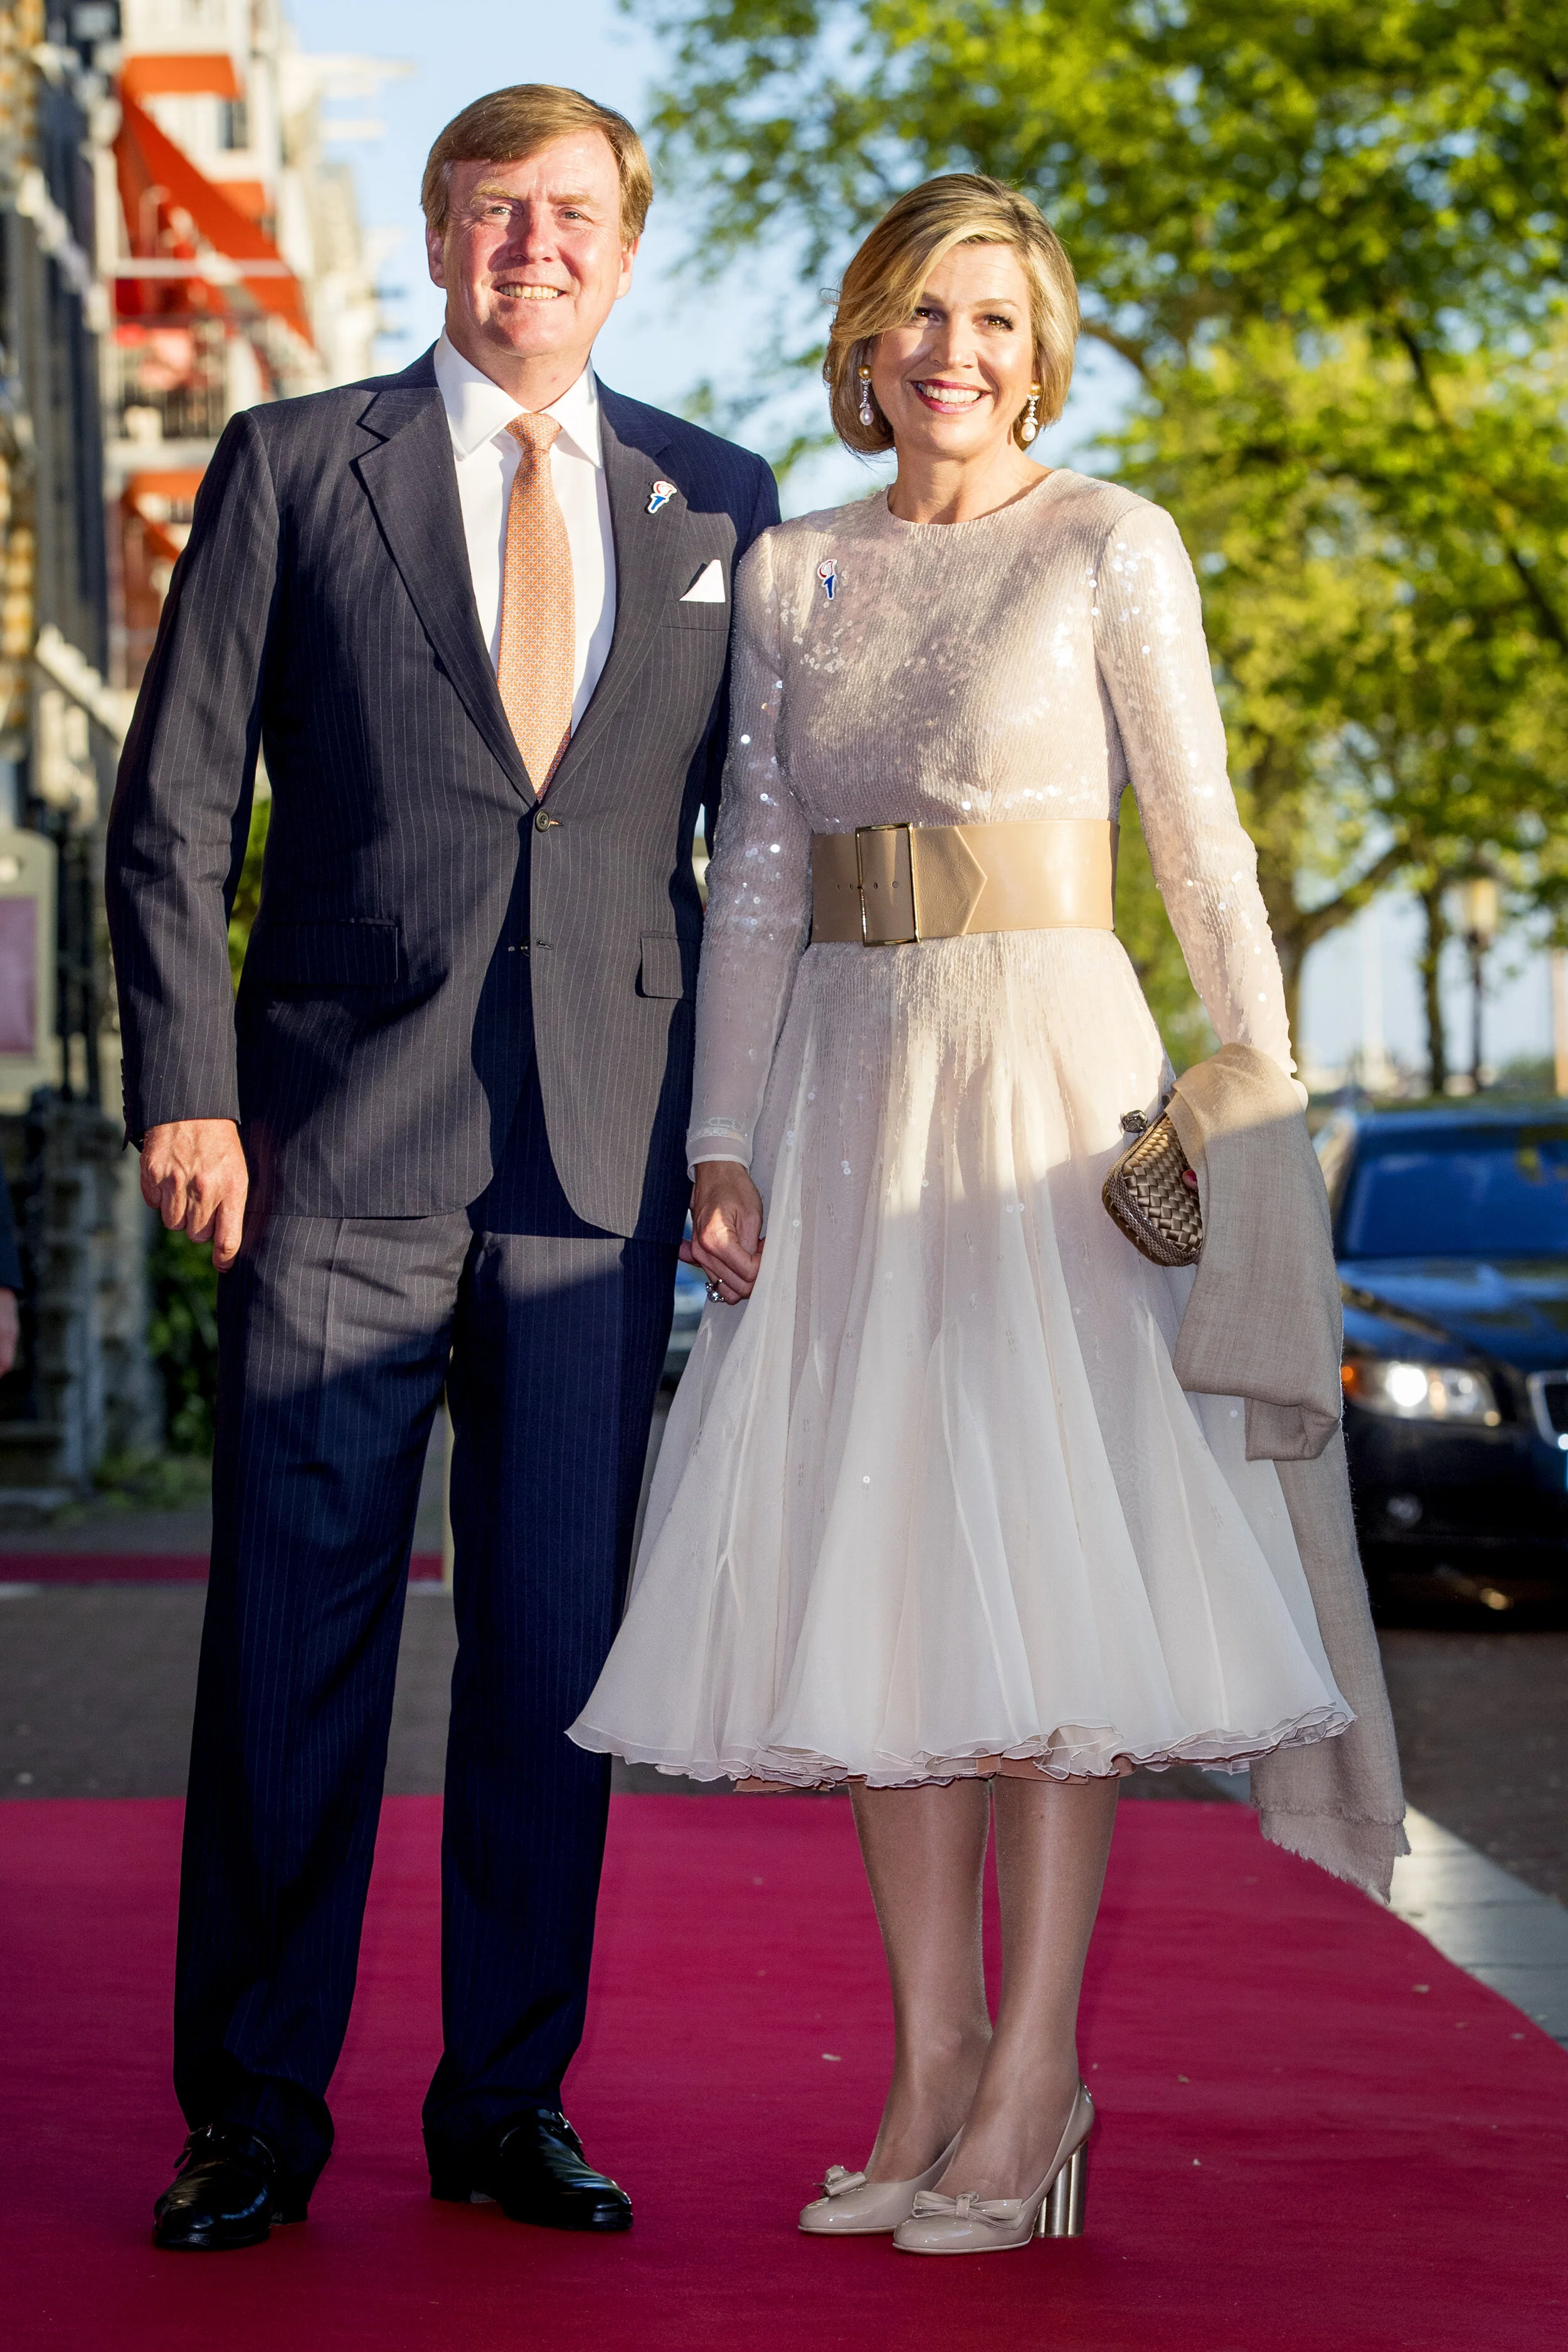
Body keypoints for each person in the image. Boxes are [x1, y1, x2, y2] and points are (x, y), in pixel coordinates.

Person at [570, 175, 1357, 2256]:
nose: (956, 354)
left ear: (1041, 345)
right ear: (863, 337)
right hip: (841, 1091)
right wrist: (720, 1137)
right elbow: (748, 875)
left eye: (996, 320)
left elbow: (1199, 844)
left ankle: (1036, 2079)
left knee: (1045, 1580)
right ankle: (925, 2065)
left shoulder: (1110, 540)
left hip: (1042, 1091)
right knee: (891, 1582)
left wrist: (1256, 1090)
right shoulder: (795, 573)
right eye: (923, 314)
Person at [105, 83, 778, 2252]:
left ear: (626, 243)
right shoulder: (302, 463)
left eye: (573, 213)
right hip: (333, 1154)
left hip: (601, 1173)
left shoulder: (720, 500)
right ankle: (252, 2112)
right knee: (286, 1644)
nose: (534, 247)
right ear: (436, 234)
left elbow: (754, 861)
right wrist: (186, 1090)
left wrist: (750, 1131)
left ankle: (504, 2098)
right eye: (497, 211)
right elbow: (177, 800)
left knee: (551, 1658)